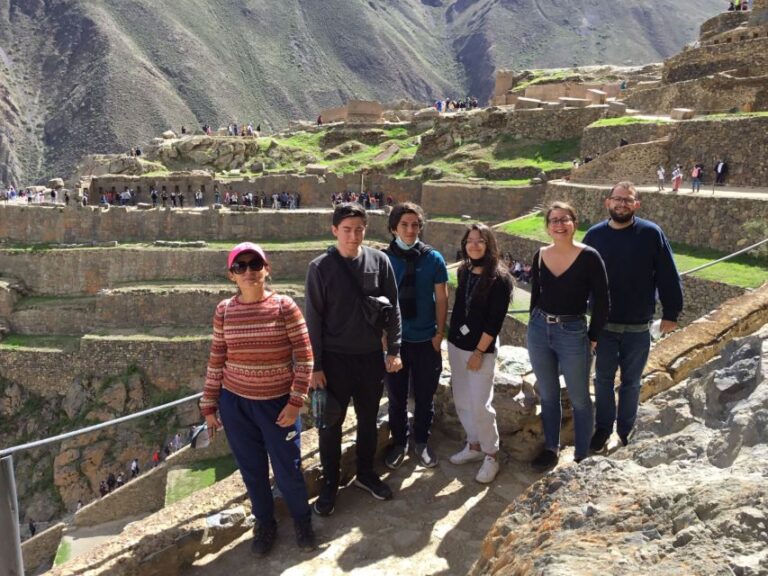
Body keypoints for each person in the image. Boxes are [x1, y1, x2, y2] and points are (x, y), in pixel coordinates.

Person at [200, 242, 316, 555]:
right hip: (236, 404)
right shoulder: (224, 310)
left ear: (267, 269)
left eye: (255, 265)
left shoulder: (284, 307)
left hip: (277, 404)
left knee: (288, 468)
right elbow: (217, 358)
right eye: (241, 267)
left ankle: (302, 521)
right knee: (251, 470)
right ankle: (265, 524)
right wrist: (209, 405)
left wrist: (296, 402)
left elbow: (304, 357)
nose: (249, 271)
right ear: (231, 275)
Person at [305, 203, 402, 516]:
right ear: (335, 230)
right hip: (334, 362)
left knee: (368, 420)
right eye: (346, 229)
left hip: (369, 358)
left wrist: (394, 350)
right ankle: (330, 483)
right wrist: (316, 366)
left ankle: (365, 474)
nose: (353, 235)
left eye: (359, 229)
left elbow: (393, 309)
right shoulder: (319, 268)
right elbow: (313, 321)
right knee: (330, 427)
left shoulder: (380, 261)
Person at [585, 182, 683, 451]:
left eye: (628, 200)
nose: (622, 204)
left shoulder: (651, 233)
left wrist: (671, 312)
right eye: (617, 199)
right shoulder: (594, 236)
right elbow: (581, 277)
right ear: (608, 202)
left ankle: (626, 431)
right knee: (602, 380)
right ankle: (603, 428)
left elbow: (667, 274)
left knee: (631, 382)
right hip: (604, 325)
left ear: (636, 204)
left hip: (638, 325)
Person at [527, 202, 610, 471]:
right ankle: (552, 448)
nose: (559, 224)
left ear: (575, 222)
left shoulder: (590, 257)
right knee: (548, 395)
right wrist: (533, 323)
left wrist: (593, 335)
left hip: (573, 331)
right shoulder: (540, 255)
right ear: (547, 226)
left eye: (565, 219)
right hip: (540, 329)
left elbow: (602, 301)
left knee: (580, 398)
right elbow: (536, 294)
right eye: (554, 220)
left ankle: (582, 456)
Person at [383, 203, 448, 470]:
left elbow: (442, 298)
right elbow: (380, 302)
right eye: (404, 225)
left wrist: (439, 334)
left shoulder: (433, 258)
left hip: (425, 339)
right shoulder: (384, 258)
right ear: (393, 228)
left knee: (425, 395)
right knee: (396, 397)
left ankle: (421, 441)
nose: (410, 230)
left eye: (415, 225)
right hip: (397, 342)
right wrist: (385, 342)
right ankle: (400, 442)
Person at [447, 224, 513, 483]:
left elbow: (494, 322)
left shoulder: (499, 278)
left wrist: (478, 351)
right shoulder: (465, 270)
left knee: (481, 404)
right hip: (456, 345)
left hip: (479, 351)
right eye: (470, 240)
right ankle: (473, 446)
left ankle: (491, 454)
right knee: (462, 399)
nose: (474, 245)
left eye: (480, 241)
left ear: (489, 244)